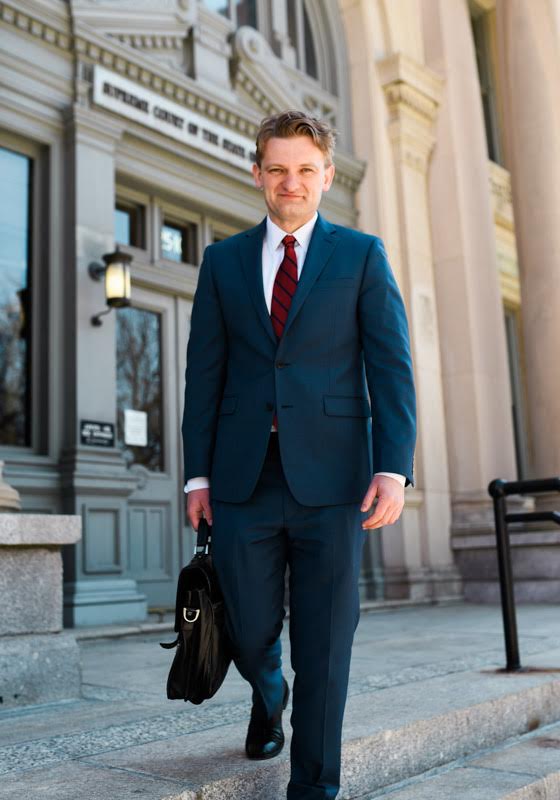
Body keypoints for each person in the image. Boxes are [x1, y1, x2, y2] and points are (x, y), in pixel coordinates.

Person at [182, 110, 416, 800]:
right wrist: (197, 474)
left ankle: (315, 788)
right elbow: (205, 375)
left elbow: (391, 366)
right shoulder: (223, 262)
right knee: (251, 630)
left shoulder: (361, 255)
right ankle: (267, 688)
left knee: (327, 643)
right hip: (242, 478)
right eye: (278, 169)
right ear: (257, 174)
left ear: (327, 176)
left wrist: (393, 466)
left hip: (338, 480)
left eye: (305, 170)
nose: (292, 183)